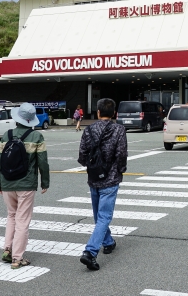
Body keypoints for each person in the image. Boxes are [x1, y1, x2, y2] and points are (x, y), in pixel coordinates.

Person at [0, 102, 50, 269]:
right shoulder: (36, 137)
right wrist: (45, 182)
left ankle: (7, 249)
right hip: (26, 184)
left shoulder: (7, 135)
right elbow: (43, 162)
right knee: (22, 220)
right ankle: (17, 258)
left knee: (11, 216)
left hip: (6, 182)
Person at [77, 98, 128, 271]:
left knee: (99, 216)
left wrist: (90, 165)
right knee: (104, 216)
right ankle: (90, 252)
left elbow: (82, 154)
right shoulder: (119, 129)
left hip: (93, 178)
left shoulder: (89, 129)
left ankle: (108, 242)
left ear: (98, 112)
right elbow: (121, 154)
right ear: (114, 113)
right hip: (111, 177)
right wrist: (121, 169)